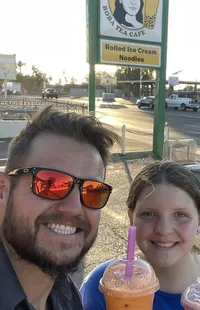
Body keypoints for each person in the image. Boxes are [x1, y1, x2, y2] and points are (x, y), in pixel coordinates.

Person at [80, 161, 200, 310]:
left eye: (180, 215)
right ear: (131, 218)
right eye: (148, 214)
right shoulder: (103, 284)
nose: (164, 230)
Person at [0, 105, 119, 310]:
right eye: (50, 183)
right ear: (3, 190)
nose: (74, 208)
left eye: (92, 191)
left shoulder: (67, 296)